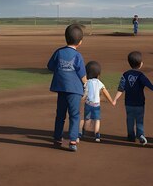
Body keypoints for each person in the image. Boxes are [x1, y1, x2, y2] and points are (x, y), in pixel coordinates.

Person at [47, 23, 87, 152]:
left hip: (61, 88)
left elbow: (50, 66)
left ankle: (58, 138)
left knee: (60, 115)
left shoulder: (59, 52)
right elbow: (82, 74)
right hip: (74, 90)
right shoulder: (78, 56)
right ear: (80, 42)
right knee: (74, 115)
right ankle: (73, 141)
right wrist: (86, 85)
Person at [113, 51, 153, 145]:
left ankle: (131, 136)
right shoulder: (140, 76)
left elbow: (121, 88)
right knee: (139, 120)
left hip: (128, 103)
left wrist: (115, 99)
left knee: (129, 119)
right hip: (139, 103)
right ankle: (140, 135)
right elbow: (149, 85)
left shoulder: (125, 75)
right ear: (140, 64)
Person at [79, 60, 115, 143]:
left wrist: (81, 99)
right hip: (96, 105)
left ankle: (83, 132)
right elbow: (105, 92)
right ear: (98, 74)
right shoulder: (99, 83)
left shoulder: (87, 83)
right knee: (97, 119)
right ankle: (97, 135)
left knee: (86, 118)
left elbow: (84, 94)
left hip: (88, 104)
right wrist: (112, 101)